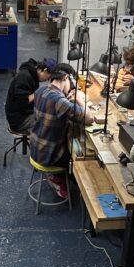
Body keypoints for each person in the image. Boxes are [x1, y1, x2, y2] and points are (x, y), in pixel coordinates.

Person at [29, 63, 94, 198]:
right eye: (72, 83)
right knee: (83, 160)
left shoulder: (40, 91)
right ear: (65, 78)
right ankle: (58, 178)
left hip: (35, 147)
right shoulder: (60, 101)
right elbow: (89, 119)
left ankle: (57, 176)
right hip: (48, 156)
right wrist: (80, 99)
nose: (71, 88)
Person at [5, 57, 56, 133]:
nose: (47, 80)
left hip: (25, 113)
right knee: (50, 121)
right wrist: (40, 91)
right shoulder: (24, 76)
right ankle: (38, 143)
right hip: (19, 120)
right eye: (48, 77)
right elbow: (22, 102)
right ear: (45, 71)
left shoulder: (33, 75)